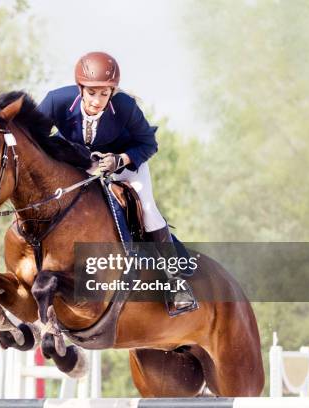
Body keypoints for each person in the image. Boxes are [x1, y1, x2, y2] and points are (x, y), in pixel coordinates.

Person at [37, 51, 197, 316]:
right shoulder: (56, 100)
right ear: (80, 89)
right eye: (92, 93)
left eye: (104, 93)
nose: (97, 100)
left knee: (147, 209)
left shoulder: (124, 106)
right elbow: (35, 138)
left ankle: (175, 282)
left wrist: (119, 159)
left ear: (113, 91)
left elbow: (149, 144)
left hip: (125, 165)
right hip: (81, 165)